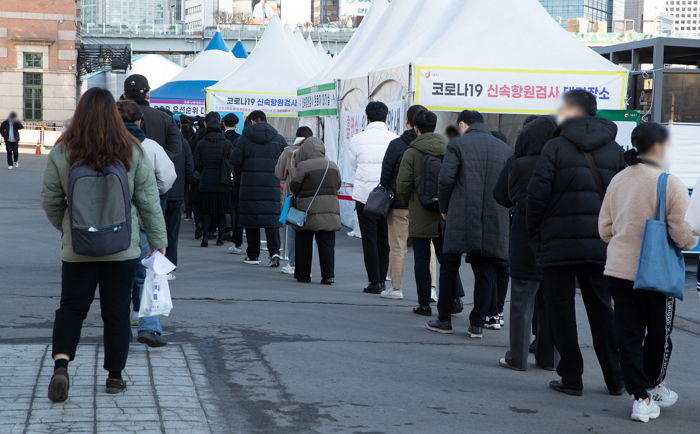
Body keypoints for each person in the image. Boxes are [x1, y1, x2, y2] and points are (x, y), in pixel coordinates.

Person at [41, 88, 167, 401]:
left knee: (71, 308)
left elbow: (51, 200)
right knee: (116, 312)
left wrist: (68, 228)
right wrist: (159, 241)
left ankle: (61, 366)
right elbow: (148, 199)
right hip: (122, 247)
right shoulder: (131, 150)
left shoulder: (63, 150)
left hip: (77, 248)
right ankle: (114, 376)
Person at [527, 89, 625, 397]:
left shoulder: (554, 146)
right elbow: (621, 196)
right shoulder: (614, 148)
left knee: (561, 311)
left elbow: (537, 194)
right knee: (602, 310)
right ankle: (615, 378)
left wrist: (535, 232)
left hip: (558, 242)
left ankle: (572, 377)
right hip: (600, 243)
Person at [600, 123, 696, 422]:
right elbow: (681, 231)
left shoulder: (618, 180)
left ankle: (639, 397)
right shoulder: (670, 183)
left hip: (619, 268)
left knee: (627, 335)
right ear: (659, 147)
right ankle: (652, 387)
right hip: (656, 273)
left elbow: (604, 229)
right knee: (658, 334)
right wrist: (690, 242)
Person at [428, 110, 511, 338]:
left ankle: (444, 319)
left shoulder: (458, 145)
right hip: (493, 215)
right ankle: (477, 324)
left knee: (449, 267)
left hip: (460, 214)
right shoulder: (503, 148)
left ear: (463, 124)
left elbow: (445, 179)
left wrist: (444, 208)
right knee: (485, 270)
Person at [493, 116, 559, 372]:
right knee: (552, 300)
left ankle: (517, 358)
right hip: (555, 236)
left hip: (525, 234)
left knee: (522, 299)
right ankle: (549, 358)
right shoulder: (562, 162)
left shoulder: (518, 164)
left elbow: (500, 195)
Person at [116, 100, 175, 346]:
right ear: (140, 121)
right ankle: (148, 325)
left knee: (117, 276)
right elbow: (168, 177)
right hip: (143, 217)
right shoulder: (150, 146)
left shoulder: (103, 146)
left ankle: (119, 329)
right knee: (144, 272)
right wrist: (153, 191)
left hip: (111, 220)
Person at [396, 110, 460, 316]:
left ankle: (424, 304)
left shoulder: (411, 152)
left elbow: (403, 184)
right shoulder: (449, 147)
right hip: (445, 211)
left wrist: (410, 203)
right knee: (447, 258)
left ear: (416, 128)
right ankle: (455, 297)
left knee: (422, 259)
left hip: (420, 209)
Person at [349, 101, 398, 294]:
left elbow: (353, 163)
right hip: (387, 195)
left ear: (367, 117)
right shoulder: (394, 138)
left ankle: (374, 281)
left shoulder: (357, 138)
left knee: (368, 238)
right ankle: (383, 279)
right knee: (384, 238)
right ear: (386, 117)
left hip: (364, 195)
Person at [379, 105, 425, 300]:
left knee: (398, 246)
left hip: (399, 203)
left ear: (408, 122)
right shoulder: (437, 146)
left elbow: (385, 175)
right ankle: (431, 288)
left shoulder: (396, 145)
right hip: (425, 206)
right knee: (429, 247)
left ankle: (396, 288)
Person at [232, 110, 286, 266]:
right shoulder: (279, 139)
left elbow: (235, 159)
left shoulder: (244, 139)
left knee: (251, 221)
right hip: (271, 185)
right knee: (271, 221)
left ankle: (253, 255)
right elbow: (285, 160)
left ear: (254, 121)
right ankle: (274, 252)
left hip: (249, 186)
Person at [288, 137, 342, 284]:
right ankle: (328, 276)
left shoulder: (304, 166)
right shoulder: (332, 165)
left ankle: (303, 275)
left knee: (304, 243)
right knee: (327, 244)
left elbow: (294, 187)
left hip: (307, 210)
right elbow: (338, 184)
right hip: (330, 210)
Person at [275, 127, 314, 274]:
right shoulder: (318, 152)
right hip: (312, 196)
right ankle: (307, 265)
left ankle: (293, 264)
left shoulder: (288, 151)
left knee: (292, 230)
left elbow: (280, 174)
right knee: (311, 230)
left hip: (292, 195)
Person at [194, 113, 234, 247]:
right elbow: (232, 162)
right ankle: (220, 239)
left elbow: (196, 163)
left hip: (206, 181)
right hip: (223, 182)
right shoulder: (227, 144)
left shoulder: (201, 143)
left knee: (206, 211)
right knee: (221, 212)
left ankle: (205, 237)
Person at [163, 111, 194, 272]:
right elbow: (190, 168)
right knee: (172, 231)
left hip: (159, 193)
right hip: (176, 192)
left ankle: (155, 264)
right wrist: (184, 187)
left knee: (154, 229)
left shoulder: (156, 142)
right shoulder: (183, 143)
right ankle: (170, 265)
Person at [123, 74, 181, 160]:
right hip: (156, 169)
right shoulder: (165, 118)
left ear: (125, 95)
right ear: (148, 94)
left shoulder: (114, 117)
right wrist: (160, 161)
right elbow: (175, 147)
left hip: (123, 170)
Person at [223, 113, 244, 253]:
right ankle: (234, 231)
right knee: (235, 208)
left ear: (223, 123)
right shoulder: (240, 139)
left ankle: (222, 229)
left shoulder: (221, 138)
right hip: (237, 178)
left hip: (222, 176)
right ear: (236, 124)